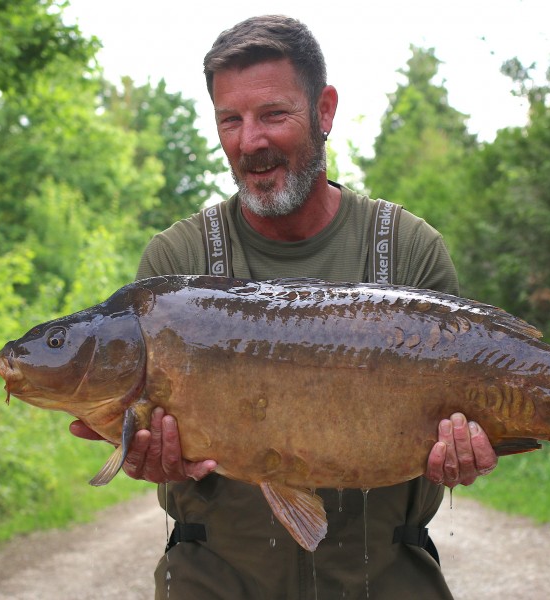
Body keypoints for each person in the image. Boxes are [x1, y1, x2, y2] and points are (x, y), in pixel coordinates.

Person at [70, 15, 497, 599]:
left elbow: (462, 425)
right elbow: (146, 435)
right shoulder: (176, 263)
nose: (251, 141)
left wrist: (463, 453)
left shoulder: (408, 249)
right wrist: (149, 457)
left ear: (324, 110)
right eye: (230, 120)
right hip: (216, 580)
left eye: (273, 114)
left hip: (383, 577)